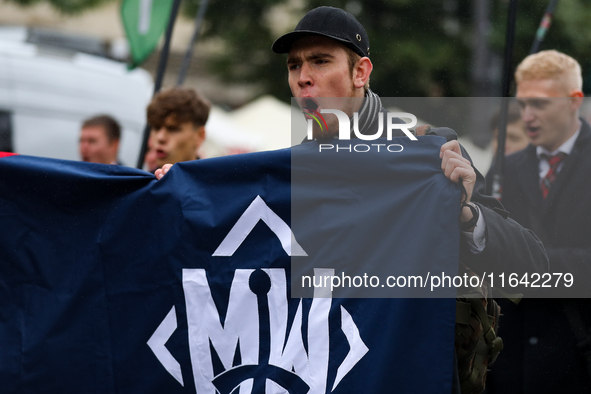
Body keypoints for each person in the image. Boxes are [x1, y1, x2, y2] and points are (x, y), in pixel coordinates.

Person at [154, 8, 548, 391]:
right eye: (294, 66)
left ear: (360, 72)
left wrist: (466, 215)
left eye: (320, 61)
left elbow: (531, 267)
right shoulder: (290, 173)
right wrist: (185, 190)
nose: (304, 78)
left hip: (410, 371)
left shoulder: (424, 154)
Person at [486, 50, 591, 393]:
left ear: (575, 101)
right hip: (509, 366)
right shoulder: (504, 168)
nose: (527, 117)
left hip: (577, 360)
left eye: (540, 105)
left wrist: (530, 263)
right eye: (522, 105)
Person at [148, 87, 210, 170]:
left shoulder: (212, 182)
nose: (160, 137)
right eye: (156, 128)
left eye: (172, 129)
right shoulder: (143, 181)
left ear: (200, 136)